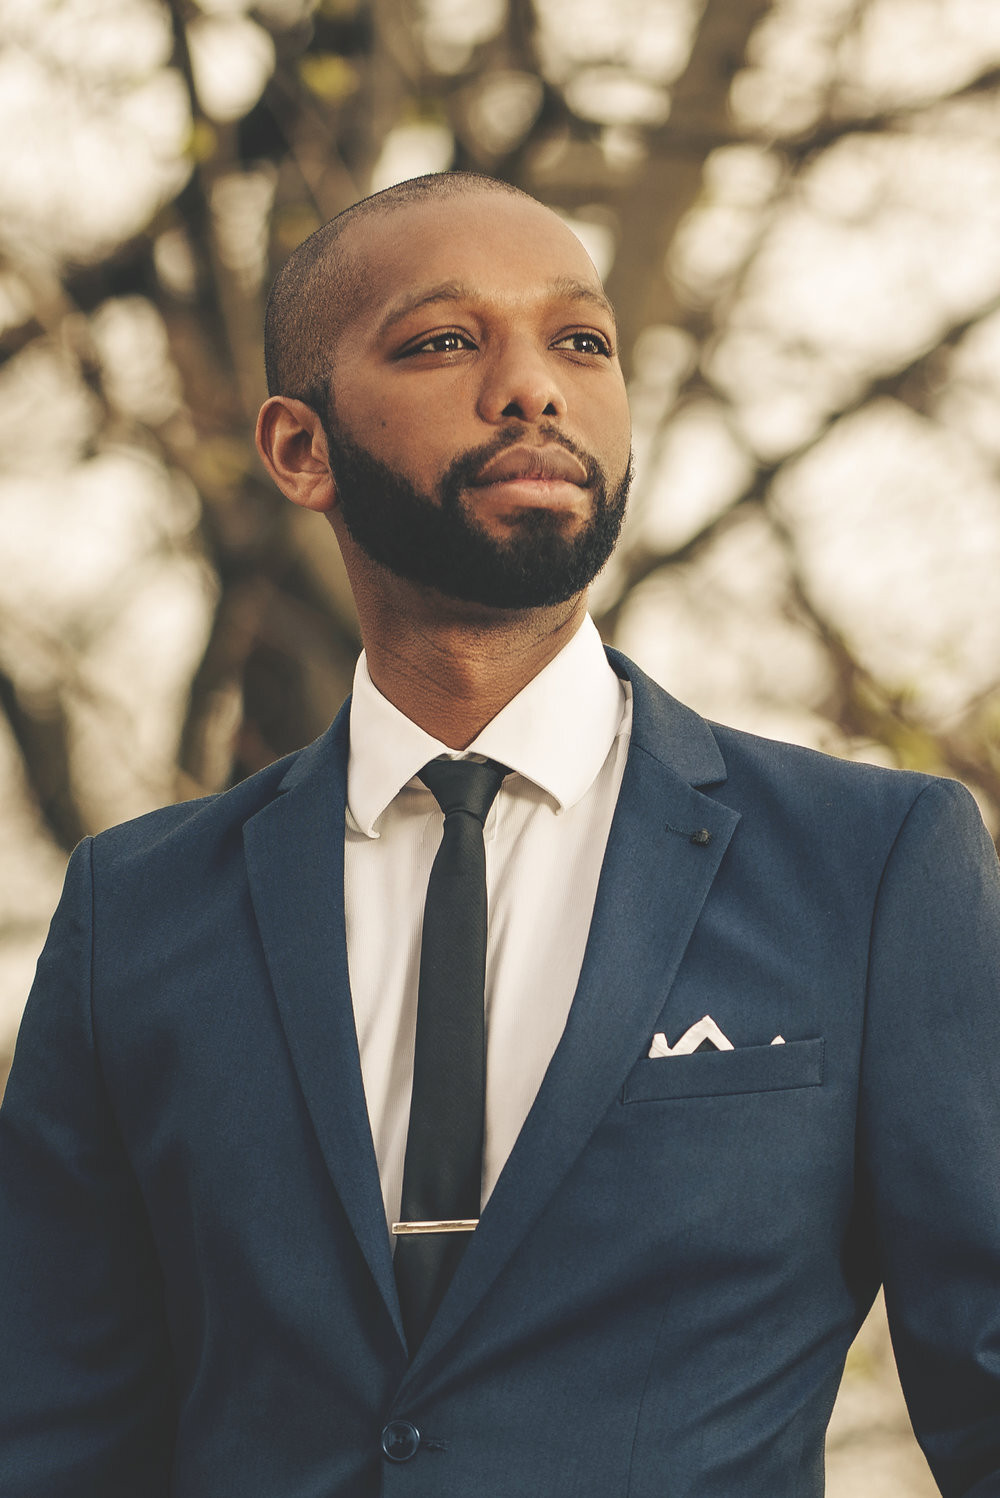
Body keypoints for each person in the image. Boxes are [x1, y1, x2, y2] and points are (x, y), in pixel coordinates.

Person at [1, 171, 999, 1498]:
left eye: (579, 340)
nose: (531, 386)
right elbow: (53, 1431)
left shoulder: (873, 862)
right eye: (444, 341)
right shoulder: (135, 909)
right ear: (301, 448)